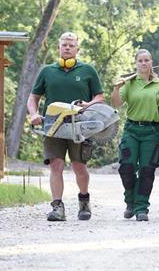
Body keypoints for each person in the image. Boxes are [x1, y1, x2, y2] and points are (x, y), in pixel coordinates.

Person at [27, 32, 104, 221]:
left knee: (79, 166)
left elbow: (100, 96)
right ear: (58, 48)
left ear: (77, 49)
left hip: (80, 125)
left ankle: (84, 201)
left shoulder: (88, 70)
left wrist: (88, 104)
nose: (67, 48)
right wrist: (34, 114)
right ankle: (57, 207)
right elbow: (33, 97)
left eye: (71, 45)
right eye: (64, 45)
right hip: (53, 125)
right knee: (56, 165)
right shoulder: (47, 71)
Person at [111, 49, 159, 222]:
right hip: (132, 129)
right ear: (136, 64)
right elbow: (116, 103)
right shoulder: (129, 83)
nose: (143, 63)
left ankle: (141, 207)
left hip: (151, 131)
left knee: (147, 170)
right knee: (126, 167)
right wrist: (116, 88)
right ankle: (130, 201)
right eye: (140, 61)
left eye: (147, 60)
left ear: (151, 62)